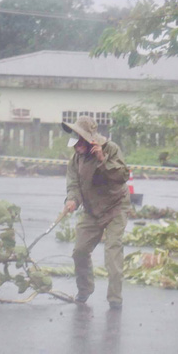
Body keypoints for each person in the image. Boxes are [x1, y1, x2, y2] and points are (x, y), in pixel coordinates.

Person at [62, 116, 130, 309]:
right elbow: (73, 184)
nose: (76, 147)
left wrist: (103, 160)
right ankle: (84, 290)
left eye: (80, 142)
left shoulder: (110, 149)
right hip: (92, 210)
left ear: (89, 140)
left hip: (115, 206)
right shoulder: (76, 159)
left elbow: (123, 176)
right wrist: (72, 200)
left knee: (113, 252)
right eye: (74, 142)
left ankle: (115, 299)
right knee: (80, 251)